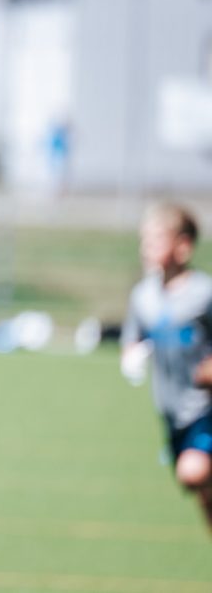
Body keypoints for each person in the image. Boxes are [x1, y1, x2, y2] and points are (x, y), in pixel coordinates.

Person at [121, 201, 212, 534]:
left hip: (206, 408)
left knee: (194, 472)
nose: (147, 248)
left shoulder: (204, 294)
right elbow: (134, 338)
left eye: (157, 240)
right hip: (172, 411)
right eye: (145, 240)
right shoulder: (143, 296)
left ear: (183, 246)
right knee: (201, 493)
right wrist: (131, 356)